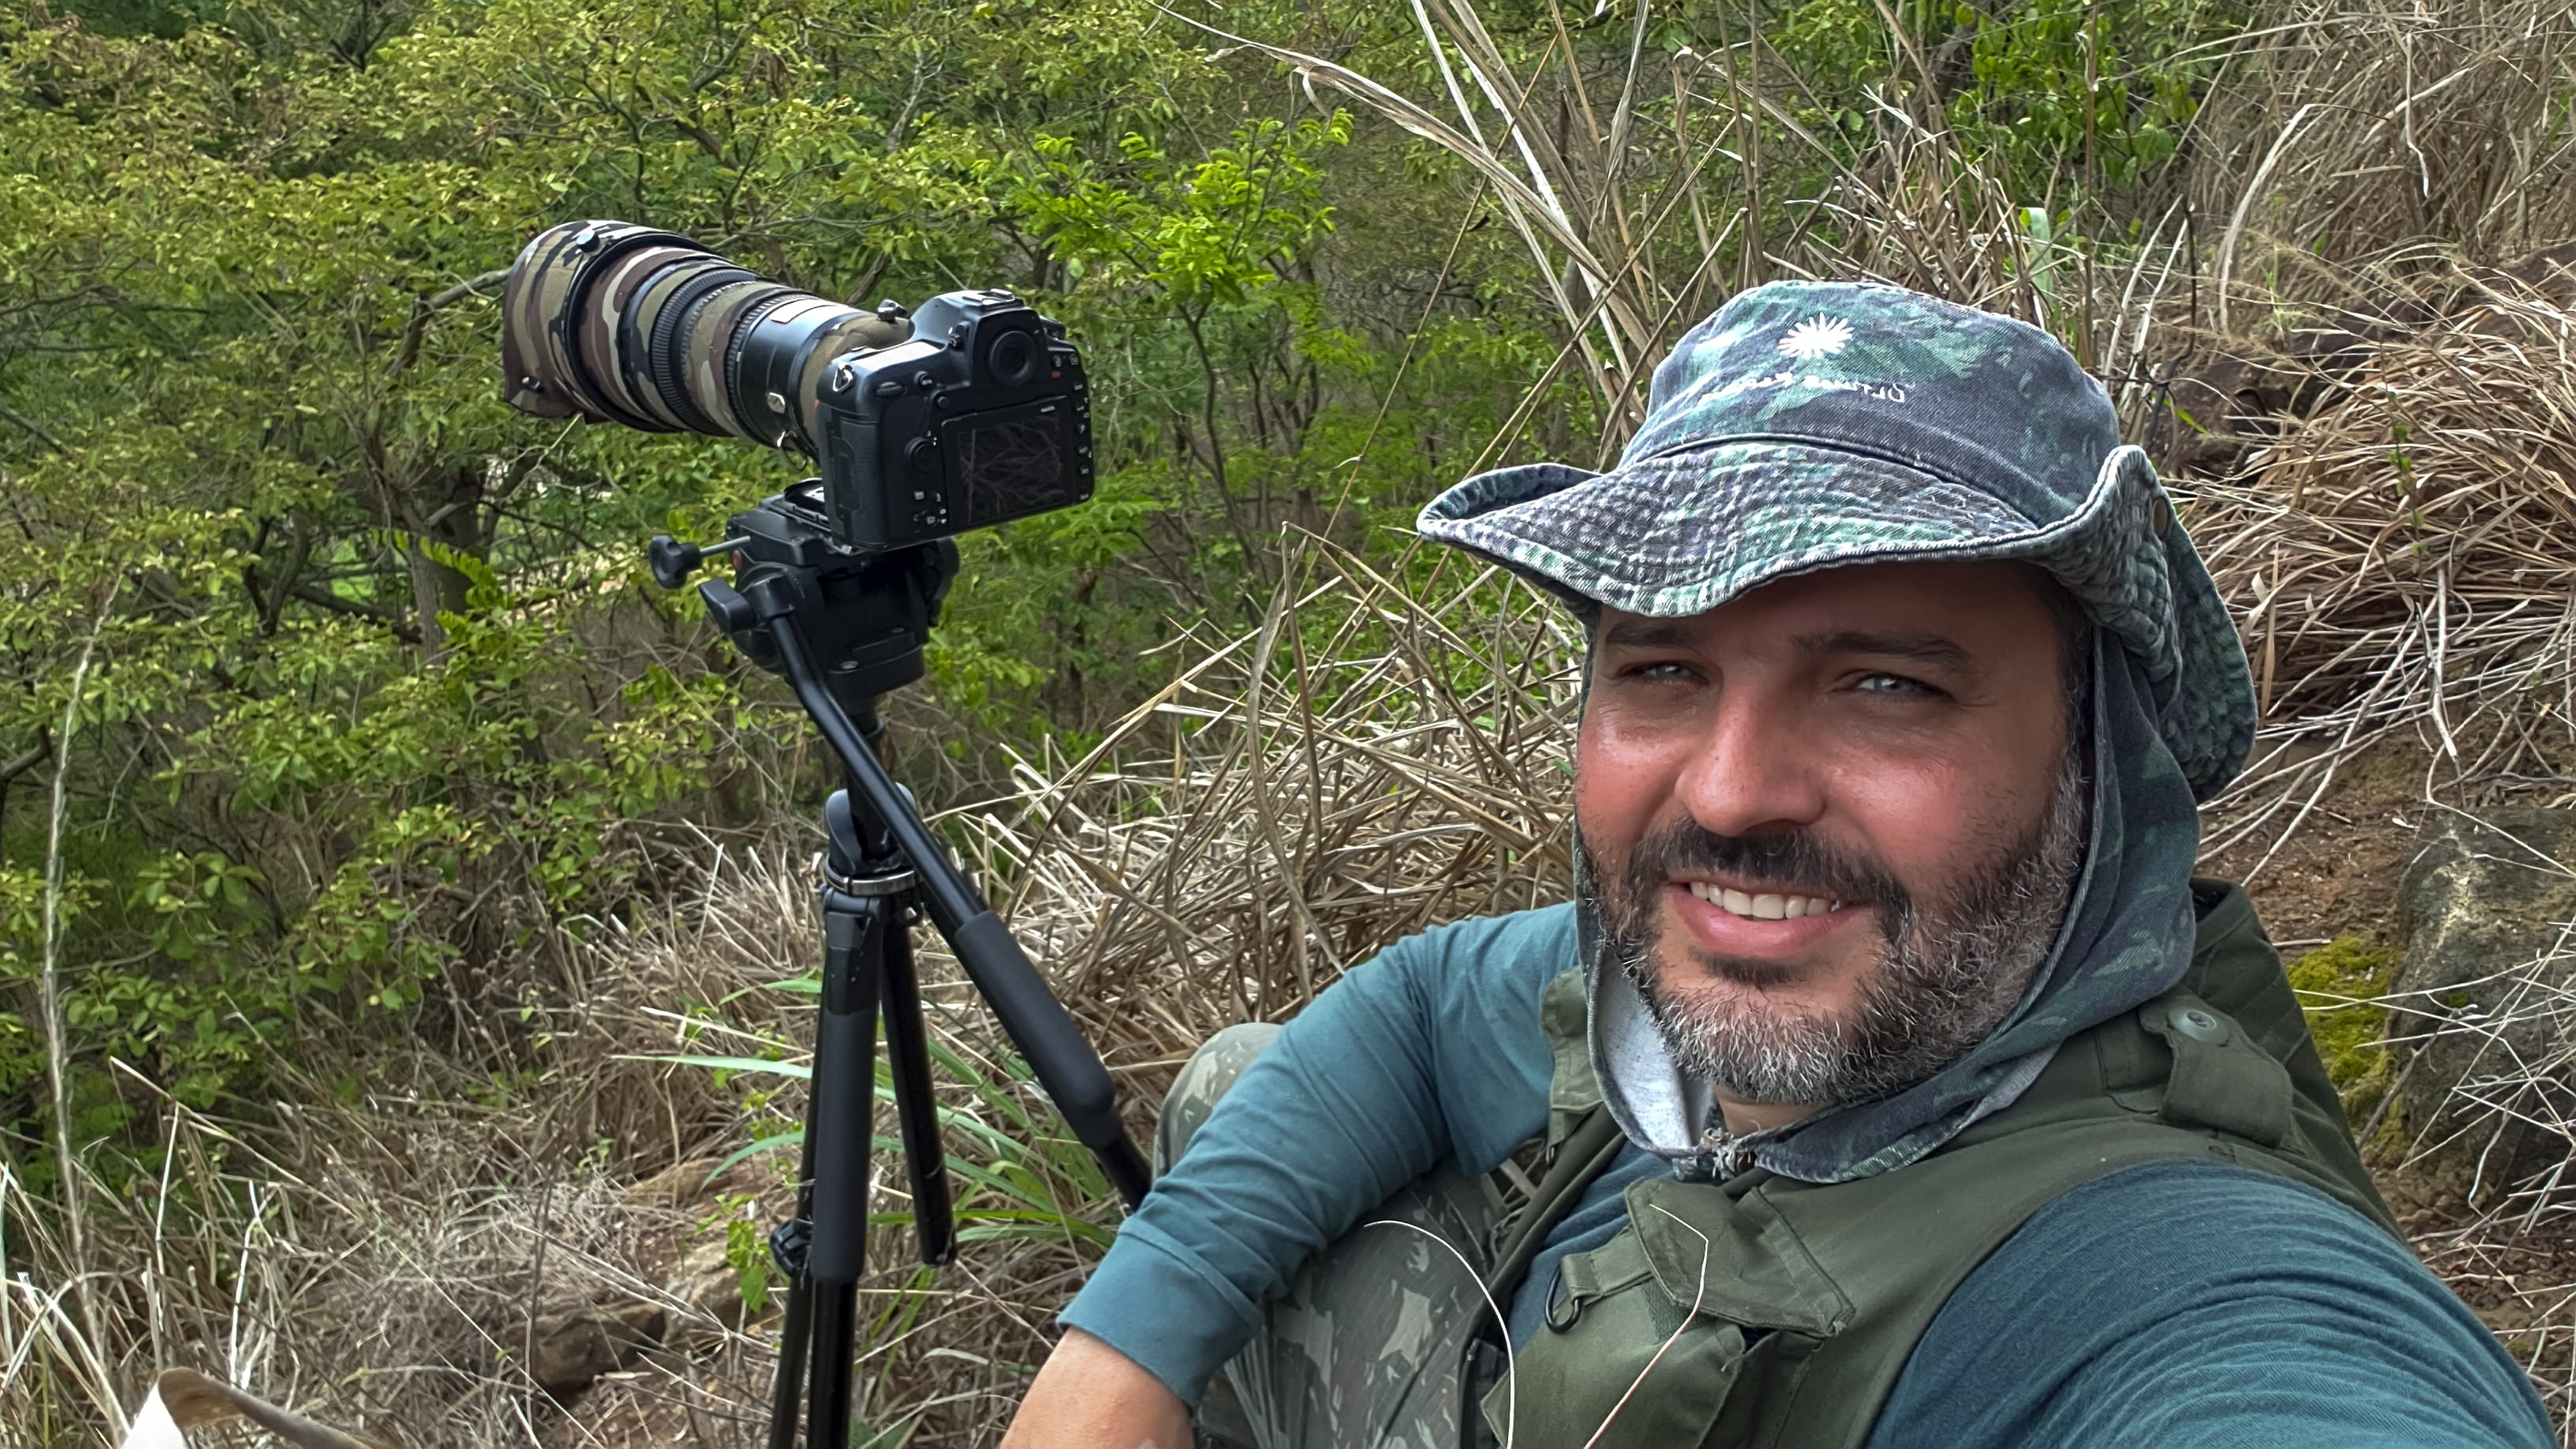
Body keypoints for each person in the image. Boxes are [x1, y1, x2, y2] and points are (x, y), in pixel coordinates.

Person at [998, 283, 2555, 1448]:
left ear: (2099, 761)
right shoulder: (1675, 1002)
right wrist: (1121, 1352)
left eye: (1887, 683)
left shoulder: (2177, 1286)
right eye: (1663, 671)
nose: (1732, 794)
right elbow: (1417, 1004)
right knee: (1241, 1074)